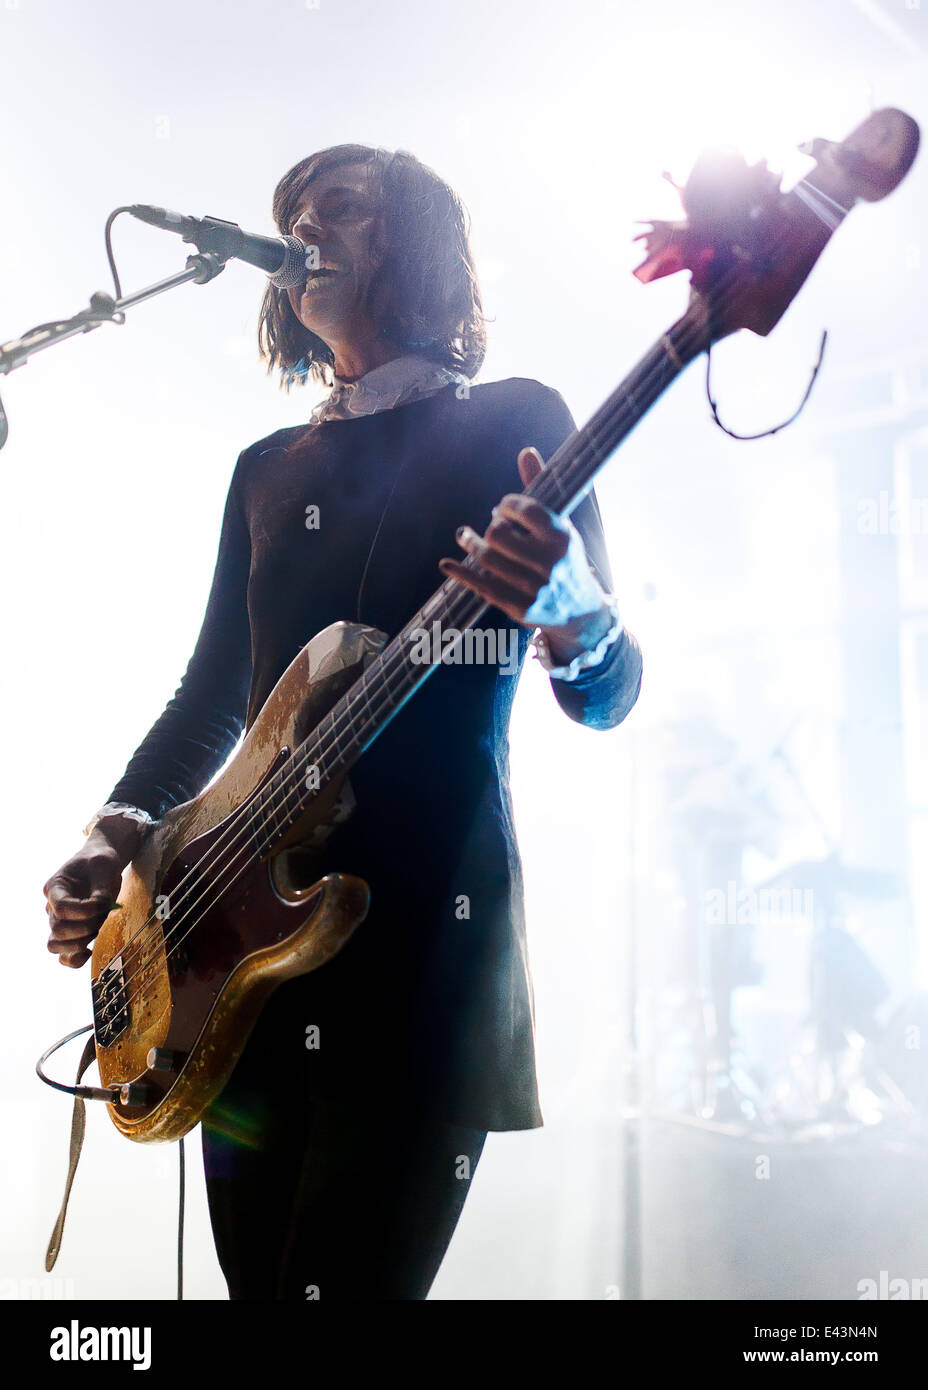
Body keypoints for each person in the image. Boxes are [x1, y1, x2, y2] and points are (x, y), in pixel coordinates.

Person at [42, 144, 643, 1300]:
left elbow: (605, 695)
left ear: (409, 244)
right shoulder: (266, 469)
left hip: (421, 963)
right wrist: (114, 827)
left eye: (343, 210)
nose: (306, 229)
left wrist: (571, 609)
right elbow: (213, 693)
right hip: (232, 966)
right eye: (291, 215)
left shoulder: (515, 422)